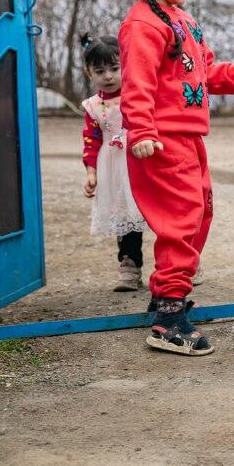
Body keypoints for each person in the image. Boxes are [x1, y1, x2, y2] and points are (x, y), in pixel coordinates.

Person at [119, 0, 234, 356]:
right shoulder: (143, 24)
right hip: (161, 142)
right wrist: (142, 132)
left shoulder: (184, 21)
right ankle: (168, 319)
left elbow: (206, 75)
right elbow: (137, 84)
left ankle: (168, 292)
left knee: (200, 214)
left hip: (189, 139)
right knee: (181, 221)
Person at [80, 33, 147, 292]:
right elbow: (91, 140)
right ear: (89, 73)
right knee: (125, 218)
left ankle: (181, 263)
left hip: (143, 162)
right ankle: (130, 266)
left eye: (114, 69)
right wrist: (91, 172)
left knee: (162, 213)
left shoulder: (138, 94)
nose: (108, 76)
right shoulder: (93, 107)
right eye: (100, 70)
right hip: (115, 171)